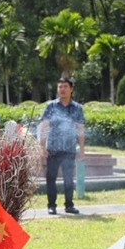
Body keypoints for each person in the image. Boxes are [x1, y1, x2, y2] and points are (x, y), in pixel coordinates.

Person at [40, 77, 85, 215]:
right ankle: (51, 205)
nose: (62, 90)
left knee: (69, 179)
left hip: (69, 149)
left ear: (71, 89)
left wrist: (82, 148)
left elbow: (80, 129)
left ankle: (69, 205)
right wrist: (42, 146)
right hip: (53, 148)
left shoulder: (77, 108)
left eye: (65, 87)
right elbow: (45, 126)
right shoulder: (51, 106)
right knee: (51, 178)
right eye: (60, 87)